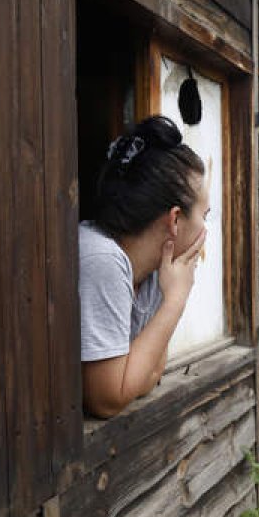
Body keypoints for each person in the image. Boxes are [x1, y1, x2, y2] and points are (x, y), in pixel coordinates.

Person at [79, 115, 209, 418]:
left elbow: (151, 376)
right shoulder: (102, 259)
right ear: (175, 220)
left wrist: (170, 295)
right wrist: (176, 299)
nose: (206, 230)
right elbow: (107, 399)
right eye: (206, 214)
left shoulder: (153, 274)